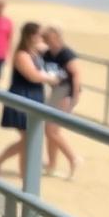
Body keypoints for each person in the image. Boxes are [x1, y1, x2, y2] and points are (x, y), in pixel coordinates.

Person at [0, 22, 59, 179]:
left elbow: (52, 50)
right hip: (22, 96)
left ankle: (7, 164)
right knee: (28, 138)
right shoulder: (22, 54)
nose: (42, 38)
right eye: (39, 35)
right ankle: (16, 170)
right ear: (31, 36)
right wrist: (51, 78)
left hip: (34, 96)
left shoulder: (35, 52)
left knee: (28, 138)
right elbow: (33, 76)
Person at [41, 25, 81, 178]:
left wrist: (73, 98)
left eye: (48, 37)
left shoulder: (66, 54)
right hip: (55, 92)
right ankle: (52, 165)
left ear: (56, 37)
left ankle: (73, 158)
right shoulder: (48, 53)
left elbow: (77, 75)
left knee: (51, 131)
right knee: (51, 132)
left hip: (66, 93)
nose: (46, 40)